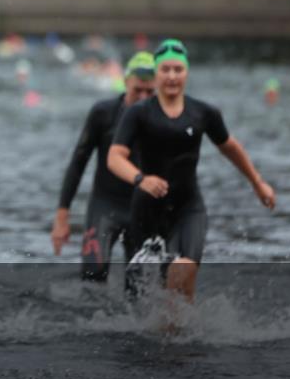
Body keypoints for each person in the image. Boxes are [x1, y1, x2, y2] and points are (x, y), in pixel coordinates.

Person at [108, 39, 275, 301]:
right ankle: (166, 332)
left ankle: (183, 334)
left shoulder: (203, 112)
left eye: (178, 70)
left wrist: (257, 182)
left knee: (181, 273)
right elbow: (115, 157)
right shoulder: (139, 113)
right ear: (156, 73)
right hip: (148, 209)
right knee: (144, 292)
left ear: (187, 73)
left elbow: (229, 146)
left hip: (188, 208)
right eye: (166, 70)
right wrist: (141, 179)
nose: (172, 76)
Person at [51, 52, 156, 281]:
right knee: (93, 274)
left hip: (142, 210)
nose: (143, 97)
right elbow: (79, 162)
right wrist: (61, 218)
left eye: (150, 92)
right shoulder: (103, 113)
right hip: (105, 204)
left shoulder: (161, 118)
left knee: (138, 286)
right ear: (126, 81)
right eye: (137, 90)